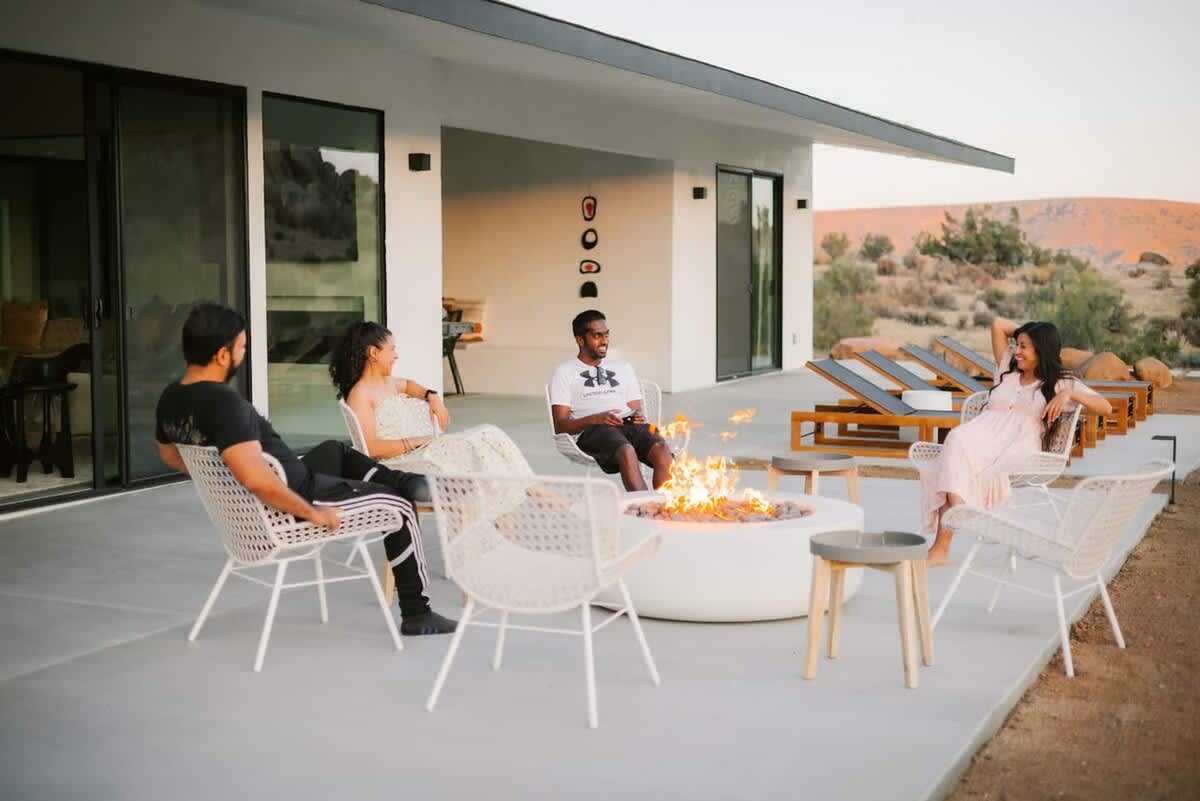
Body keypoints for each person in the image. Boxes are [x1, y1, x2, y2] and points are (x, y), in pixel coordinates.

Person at [155, 304, 456, 635]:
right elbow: (256, 479)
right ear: (222, 355)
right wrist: (311, 512)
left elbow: (171, 456)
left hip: (292, 478)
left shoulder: (172, 398)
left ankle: (405, 480)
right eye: (242, 347)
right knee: (400, 505)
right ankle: (417, 613)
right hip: (299, 496)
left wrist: (224, 481)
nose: (243, 355)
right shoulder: (226, 405)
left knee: (335, 450)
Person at [917, 316, 1113, 567]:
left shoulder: (1061, 382)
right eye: (1017, 344)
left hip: (1019, 445)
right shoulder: (1008, 368)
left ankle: (945, 539)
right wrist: (1028, 332)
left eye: (1024, 346)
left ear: (1041, 350)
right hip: (982, 435)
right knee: (955, 441)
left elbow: (1105, 407)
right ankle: (959, 512)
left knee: (957, 463)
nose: (1017, 351)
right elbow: (998, 324)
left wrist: (1069, 394)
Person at [330, 321, 532, 475]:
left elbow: (409, 385)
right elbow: (372, 448)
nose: (396, 355)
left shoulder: (387, 382)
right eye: (392, 349)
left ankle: (530, 490)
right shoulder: (360, 394)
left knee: (489, 433)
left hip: (422, 450)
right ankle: (526, 495)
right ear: (374, 353)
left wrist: (432, 396)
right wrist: (418, 441)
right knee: (477, 448)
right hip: (403, 461)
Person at [548, 309, 672, 491]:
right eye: (597, 336)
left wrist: (636, 416)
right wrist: (596, 419)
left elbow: (635, 408)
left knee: (661, 449)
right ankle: (645, 505)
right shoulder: (565, 372)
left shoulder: (623, 367)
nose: (604, 341)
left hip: (627, 425)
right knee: (626, 451)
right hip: (593, 430)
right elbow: (561, 425)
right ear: (580, 340)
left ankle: (667, 505)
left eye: (606, 335)